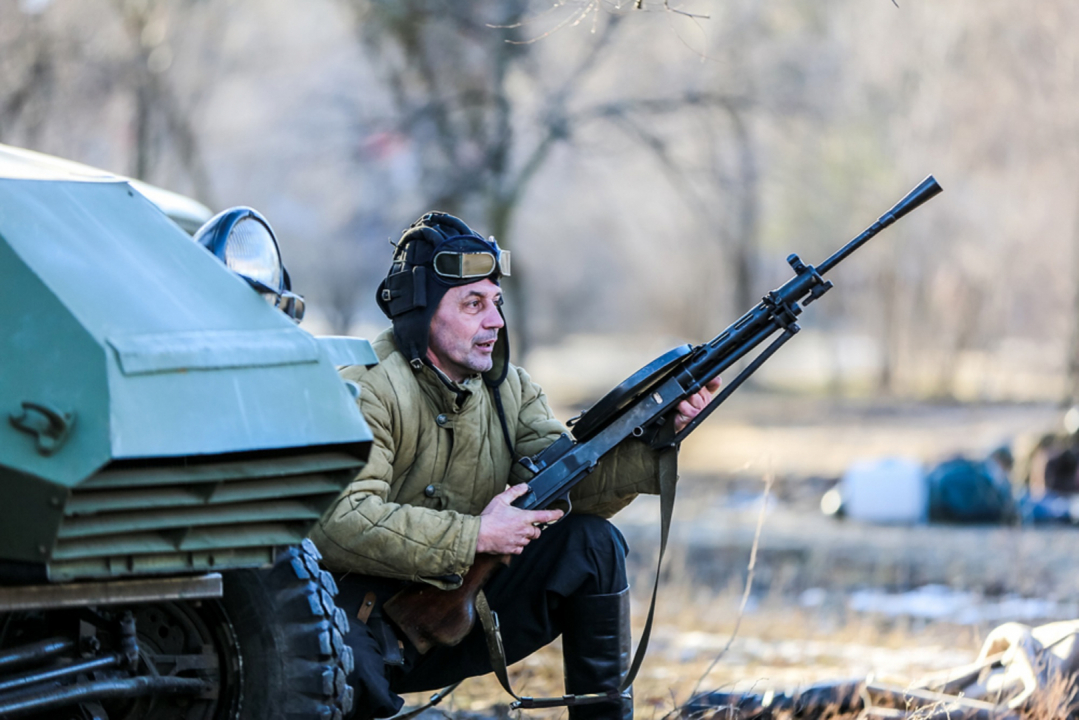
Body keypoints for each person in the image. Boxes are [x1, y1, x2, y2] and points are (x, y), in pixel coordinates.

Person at [309, 212, 719, 720]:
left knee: (592, 545)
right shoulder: (368, 388)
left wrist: (659, 437)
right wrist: (475, 535)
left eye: (496, 303)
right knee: (339, 680)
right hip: (361, 627)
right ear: (420, 311)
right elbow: (337, 520)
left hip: (458, 614)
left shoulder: (510, 389)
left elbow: (576, 486)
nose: (495, 322)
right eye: (473, 304)